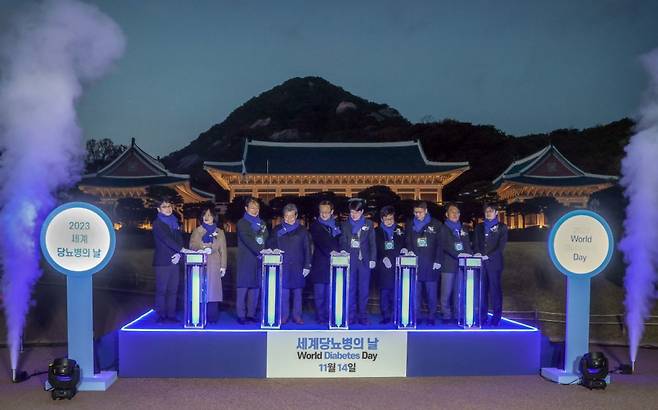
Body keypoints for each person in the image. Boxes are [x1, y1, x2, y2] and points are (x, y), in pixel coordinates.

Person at [268, 203, 312, 324]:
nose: (289, 219)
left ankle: (297, 316)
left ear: (296, 215)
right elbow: (270, 244)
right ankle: (284, 316)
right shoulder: (277, 229)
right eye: (286, 216)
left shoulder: (302, 231)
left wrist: (307, 265)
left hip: (298, 265)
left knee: (298, 293)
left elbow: (307, 248)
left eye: (291, 216)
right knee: (284, 292)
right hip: (283, 265)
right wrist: (274, 250)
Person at [404, 201, 443, 325]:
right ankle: (417, 316)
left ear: (425, 211)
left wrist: (438, 260)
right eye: (415, 212)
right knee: (416, 293)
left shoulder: (436, 224)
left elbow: (440, 244)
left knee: (431, 293)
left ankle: (431, 316)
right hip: (415, 263)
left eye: (420, 212)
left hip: (431, 263)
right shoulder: (410, 224)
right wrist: (409, 251)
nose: (417, 215)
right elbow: (408, 241)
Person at [152, 197, 190, 323]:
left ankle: (171, 315)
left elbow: (179, 239)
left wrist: (179, 254)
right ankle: (161, 315)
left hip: (175, 260)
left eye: (169, 206)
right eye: (164, 207)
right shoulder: (158, 223)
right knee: (162, 290)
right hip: (163, 261)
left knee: (173, 290)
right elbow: (165, 240)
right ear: (159, 209)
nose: (168, 209)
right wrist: (181, 250)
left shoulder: (174, 222)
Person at [339, 198, 376, 325]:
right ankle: (350, 315)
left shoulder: (369, 224)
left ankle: (363, 316)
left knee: (364, 289)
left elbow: (372, 243)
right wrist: (343, 251)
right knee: (351, 289)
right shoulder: (345, 225)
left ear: (362, 212)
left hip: (364, 261)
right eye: (351, 212)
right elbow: (342, 241)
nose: (353, 215)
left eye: (356, 212)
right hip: (350, 260)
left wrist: (373, 259)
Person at [189, 205, 227, 324]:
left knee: (213, 291)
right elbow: (192, 245)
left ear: (214, 217)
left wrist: (223, 266)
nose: (207, 217)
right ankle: (199, 315)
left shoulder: (219, 232)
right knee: (200, 289)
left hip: (215, 264)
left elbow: (223, 250)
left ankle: (212, 316)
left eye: (209, 215)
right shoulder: (197, 230)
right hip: (200, 264)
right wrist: (201, 249)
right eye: (204, 215)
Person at [473, 203, 508, 326]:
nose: (488, 213)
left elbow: (501, 246)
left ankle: (496, 317)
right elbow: (476, 243)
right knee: (482, 291)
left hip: (494, 263)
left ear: (496, 212)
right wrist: (477, 253)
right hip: (481, 263)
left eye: (491, 211)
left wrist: (489, 256)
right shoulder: (479, 227)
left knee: (495, 291)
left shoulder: (502, 227)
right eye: (486, 211)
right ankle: (482, 316)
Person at [236, 197, 269, 325]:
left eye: (257, 208)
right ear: (246, 209)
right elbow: (248, 240)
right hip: (246, 259)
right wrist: (261, 250)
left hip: (259, 260)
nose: (255, 210)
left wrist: (265, 250)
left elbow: (265, 236)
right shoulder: (242, 223)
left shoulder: (262, 223)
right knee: (243, 288)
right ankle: (241, 315)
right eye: (252, 208)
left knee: (255, 288)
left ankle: (251, 313)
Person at [309, 200, 341, 324]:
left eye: (326, 212)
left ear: (332, 212)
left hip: (335, 264)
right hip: (320, 263)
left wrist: (341, 252)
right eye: (322, 212)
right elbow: (320, 241)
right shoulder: (315, 225)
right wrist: (332, 252)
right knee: (320, 293)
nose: (324, 214)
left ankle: (330, 315)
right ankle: (320, 316)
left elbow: (341, 240)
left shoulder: (337, 225)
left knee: (331, 292)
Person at [439, 202, 472, 322]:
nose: (455, 214)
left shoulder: (463, 228)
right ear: (447, 214)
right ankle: (446, 314)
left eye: (457, 212)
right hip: (448, 264)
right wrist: (458, 254)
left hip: (463, 264)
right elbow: (444, 245)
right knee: (446, 292)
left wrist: (470, 256)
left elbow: (467, 244)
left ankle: (459, 315)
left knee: (460, 291)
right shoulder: (443, 228)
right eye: (452, 212)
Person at [375, 205, 406, 324]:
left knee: (396, 292)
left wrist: (404, 250)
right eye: (386, 219)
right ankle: (385, 315)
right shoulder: (377, 231)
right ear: (382, 219)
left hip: (398, 264)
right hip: (384, 266)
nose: (389, 221)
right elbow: (375, 248)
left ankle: (395, 314)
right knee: (385, 292)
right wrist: (382, 257)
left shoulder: (399, 230)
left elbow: (405, 243)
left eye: (391, 219)